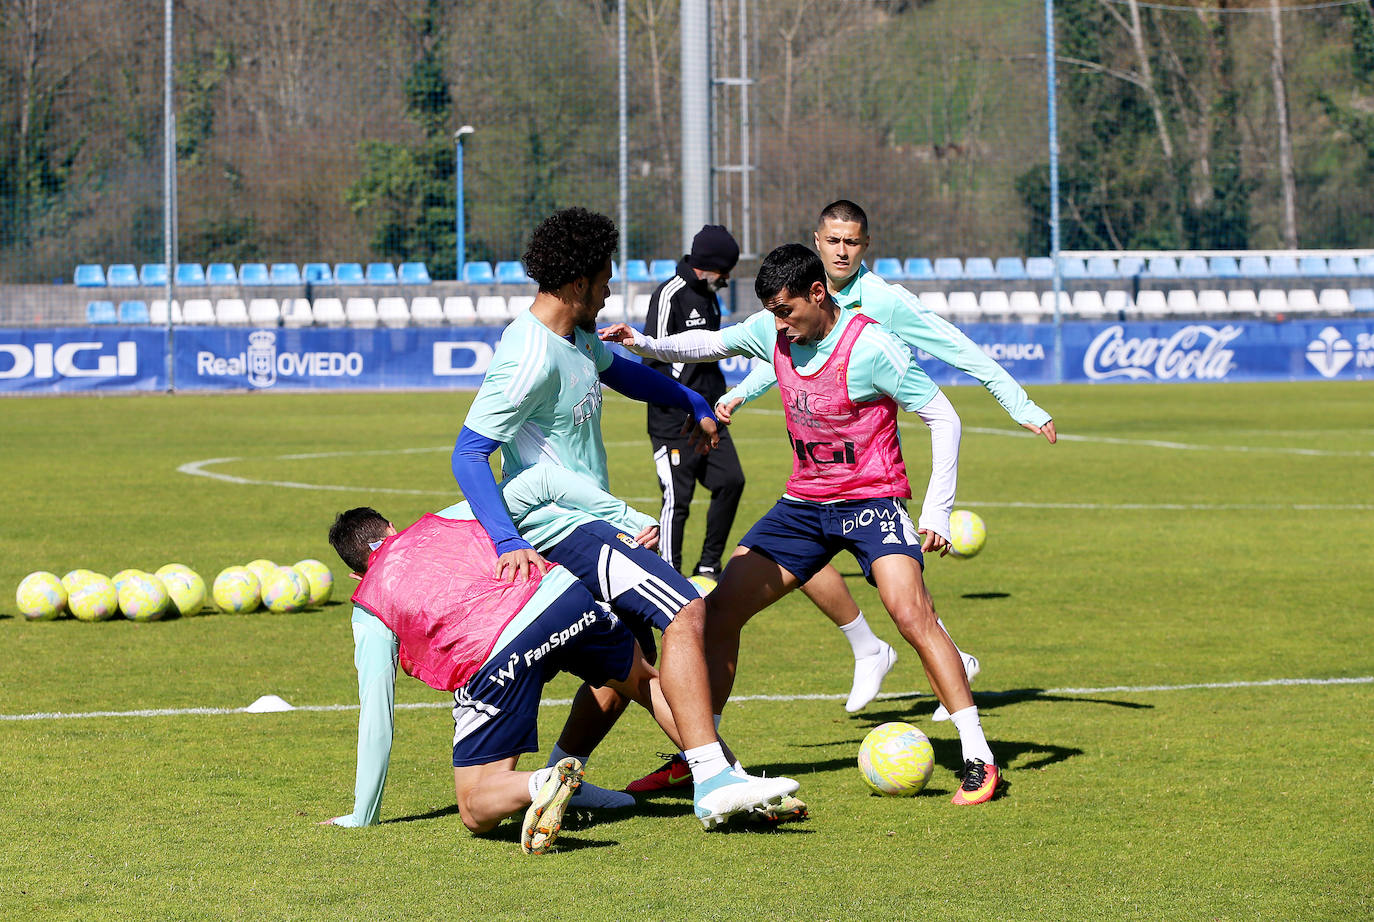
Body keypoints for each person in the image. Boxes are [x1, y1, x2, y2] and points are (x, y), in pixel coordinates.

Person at [601, 243, 1004, 805]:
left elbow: (944, 416)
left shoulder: (873, 345)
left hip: (874, 503)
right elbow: (712, 342)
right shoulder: (774, 331)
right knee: (715, 615)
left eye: (786, 310)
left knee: (911, 612)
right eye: (771, 312)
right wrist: (643, 343)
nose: (778, 323)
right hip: (803, 507)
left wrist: (936, 510)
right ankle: (704, 756)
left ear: (818, 293)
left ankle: (979, 758)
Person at [449, 206, 798, 828]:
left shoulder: (577, 338)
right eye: (606, 276)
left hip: (589, 522)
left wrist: (693, 400)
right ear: (579, 280)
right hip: (558, 529)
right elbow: (470, 454)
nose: (611, 287)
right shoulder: (528, 353)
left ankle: (565, 776)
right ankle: (714, 779)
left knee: (624, 668)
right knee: (685, 606)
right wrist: (507, 539)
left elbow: (630, 377)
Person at [720, 200, 1057, 717]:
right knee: (817, 559)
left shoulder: (883, 301)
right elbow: (790, 355)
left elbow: (958, 348)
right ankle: (905, 653)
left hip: (874, 460)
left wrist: (1019, 402)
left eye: (851, 242)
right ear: (816, 241)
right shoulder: (797, 299)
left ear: (865, 246)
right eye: (832, 240)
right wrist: (744, 391)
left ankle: (926, 670)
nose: (841, 250)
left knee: (899, 592)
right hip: (820, 472)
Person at [322, 506, 678, 854]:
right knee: (646, 682)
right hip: (560, 596)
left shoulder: (369, 600)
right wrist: (628, 519)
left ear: (357, 574)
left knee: (475, 810)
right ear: (392, 528)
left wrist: (364, 814)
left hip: (494, 652)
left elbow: (376, 715)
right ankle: (718, 770)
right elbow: (538, 485)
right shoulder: (447, 516)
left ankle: (542, 782)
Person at [641, 225, 747, 582]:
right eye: (725, 271)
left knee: (731, 480)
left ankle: (708, 566)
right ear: (708, 265)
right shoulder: (669, 295)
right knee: (678, 500)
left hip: (709, 417)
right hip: (672, 421)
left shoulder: (710, 294)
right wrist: (684, 404)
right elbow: (652, 359)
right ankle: (668, 576)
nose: (728, 278)